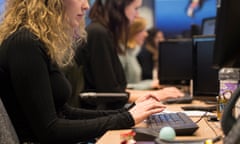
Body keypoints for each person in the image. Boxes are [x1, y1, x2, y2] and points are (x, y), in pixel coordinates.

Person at [0, 0, 166, 143]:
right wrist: (126, 118)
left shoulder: (38, 42)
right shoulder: (25, 44)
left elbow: (65, 112)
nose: (86, 6)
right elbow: (49, 131)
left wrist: (128, 112)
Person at [76, 0, 184, 110]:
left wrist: (154, 94)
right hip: (102, 120)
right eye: (135, 8)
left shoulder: (104, 33)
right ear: (118, 7)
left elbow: (118, 92)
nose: (137, 15)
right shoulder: (98, 33)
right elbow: (111, 95)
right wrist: (157, 95)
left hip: (107, 116)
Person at [118, 16, 160, 90]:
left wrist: (156, 83)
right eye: (142, 30)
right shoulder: (121, 53)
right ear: (132, 32)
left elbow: (135, 84)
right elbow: (122, 88)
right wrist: (150, 85)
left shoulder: (129, 53)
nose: (146, 34)